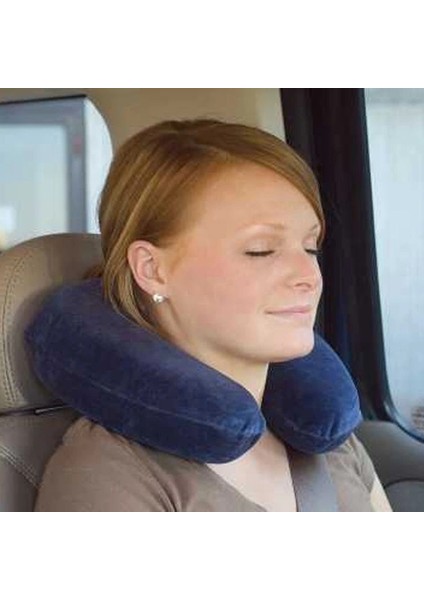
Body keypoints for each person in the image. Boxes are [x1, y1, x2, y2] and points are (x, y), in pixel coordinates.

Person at [35, 118, 392, 512]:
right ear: (153, 270)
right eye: (260, 250)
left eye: (310, 247)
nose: (309, 275)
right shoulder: (107, 475)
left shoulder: (333, 441)